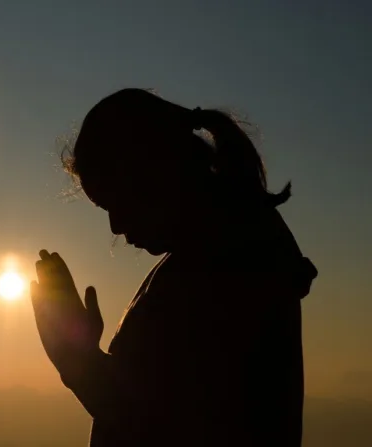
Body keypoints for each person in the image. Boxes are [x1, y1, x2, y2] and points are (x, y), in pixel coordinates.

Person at [30, 88, 318, 446]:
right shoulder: (221, 250)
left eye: (116, 202)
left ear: (155, 173)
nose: (115, 226)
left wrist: (76, 361)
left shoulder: (228, 267)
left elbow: (163, 425)